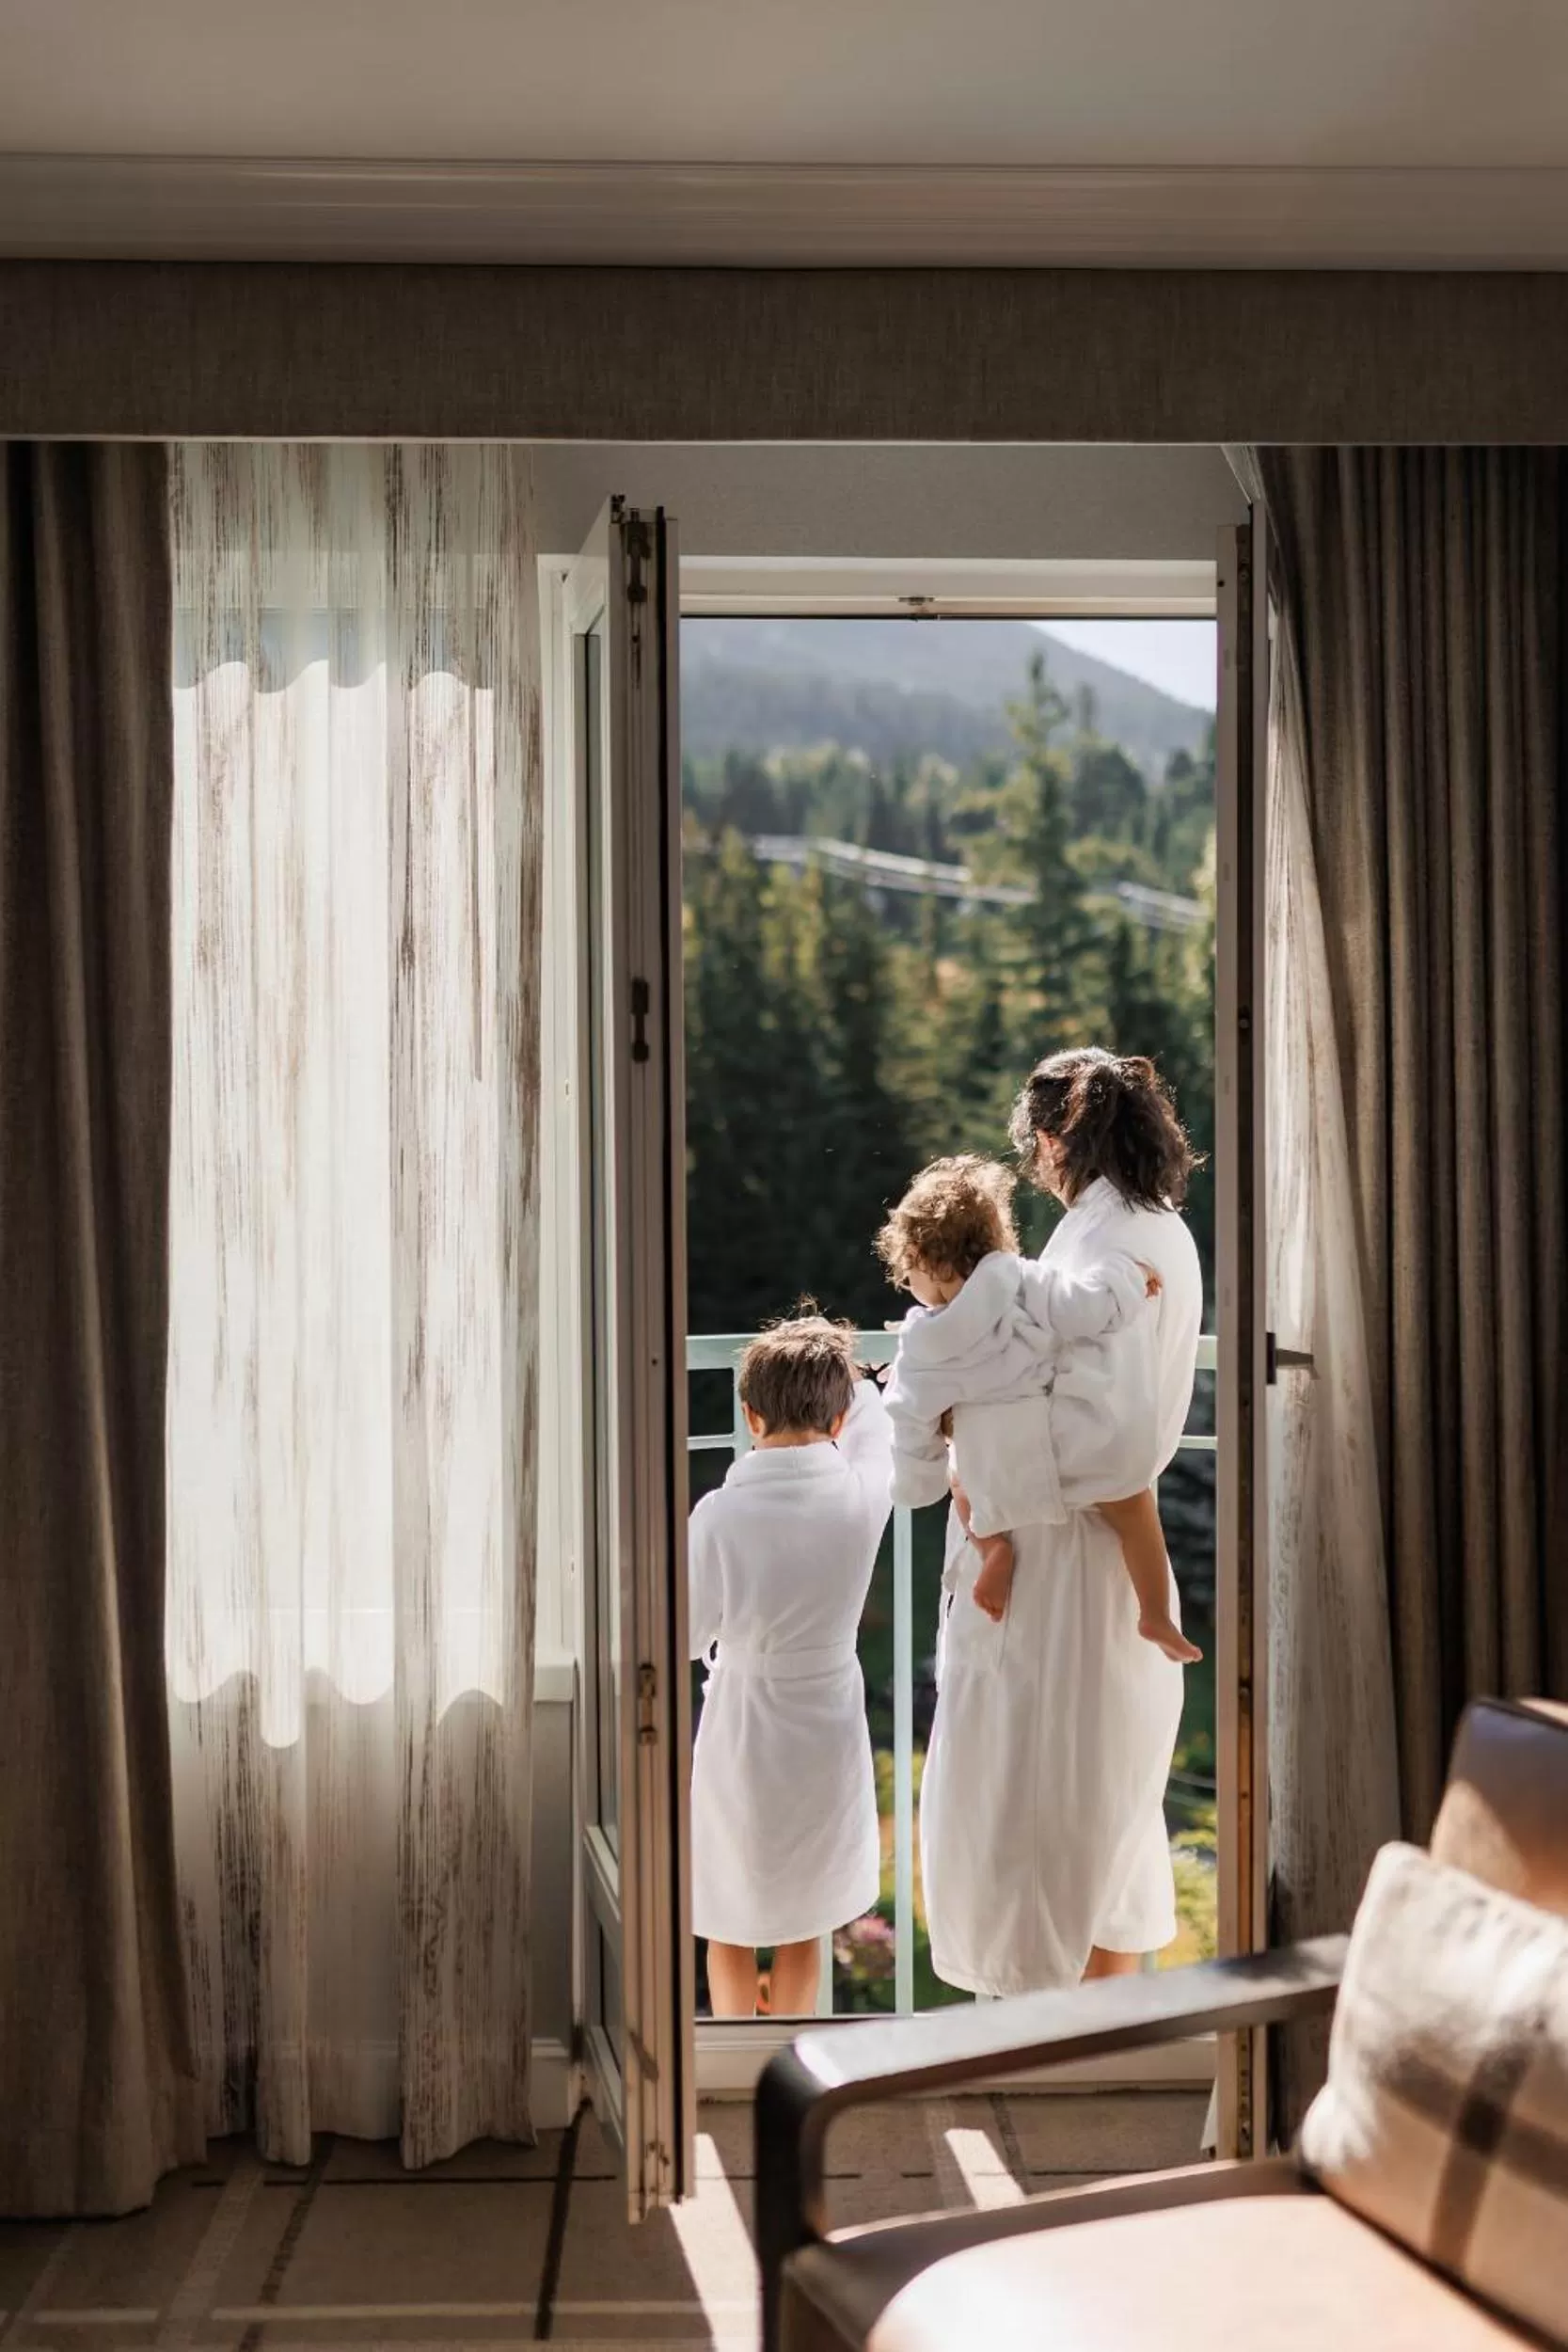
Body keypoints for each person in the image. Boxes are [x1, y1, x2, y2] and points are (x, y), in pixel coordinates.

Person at [912, 1048, 1206, 1996]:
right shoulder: (1155, 1232)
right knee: (1101, 1804)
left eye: (1033, 1149)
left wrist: (971, 1452)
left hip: (1060, 1559)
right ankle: (1098, 2030)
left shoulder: (1103, 1245)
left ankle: (1037, 2031)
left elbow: (1103, 1438)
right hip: (1080, 1551)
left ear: (1048, 1143)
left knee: (1035, 1803)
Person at [875, 1154, 1200, 1665]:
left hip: (993, 1472)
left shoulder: (919, 1347)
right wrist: (1128, 1275)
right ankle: (1155, 1612)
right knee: (1132, 1504)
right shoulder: (1024, 1280)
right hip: (1057, 1445)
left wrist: (918, 1479)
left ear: (922, 1260)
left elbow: (910, 1420)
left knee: (961, 1481)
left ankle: (994, 1549)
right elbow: (1088, 1310)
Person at [689, 1311, 893, 2019]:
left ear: (749, 1416)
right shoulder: (864, 1495)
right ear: (837, 1421)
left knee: (728, 1912)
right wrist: (863, 1387)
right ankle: (790, 2055)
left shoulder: (718, 1514)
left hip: (744, 1721)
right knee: (806, 1912)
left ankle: (733, 2056)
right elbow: (876, 1432)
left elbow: (687, 1633)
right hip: (827, 1715)